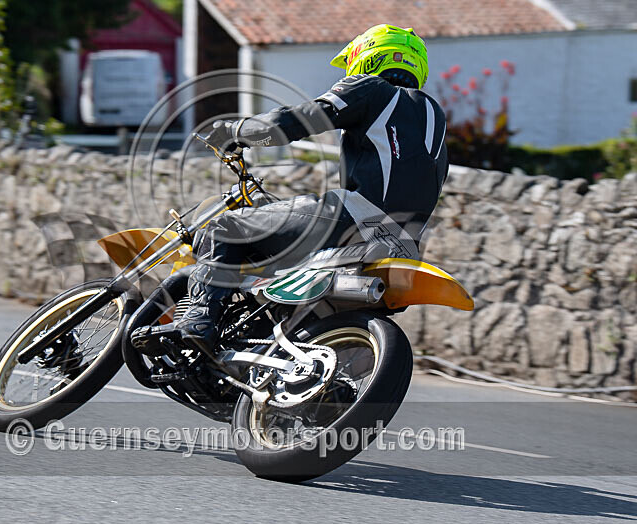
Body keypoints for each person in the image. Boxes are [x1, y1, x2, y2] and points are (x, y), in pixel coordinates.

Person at [134, 24, 448, 354]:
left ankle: (198, 319)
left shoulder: (372, 89)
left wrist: (234, 131)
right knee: (279, 269)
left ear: (369, 56)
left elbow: (296, 121)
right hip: (402, 246)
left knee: (225, 228)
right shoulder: (434, 116)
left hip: (353, 217)